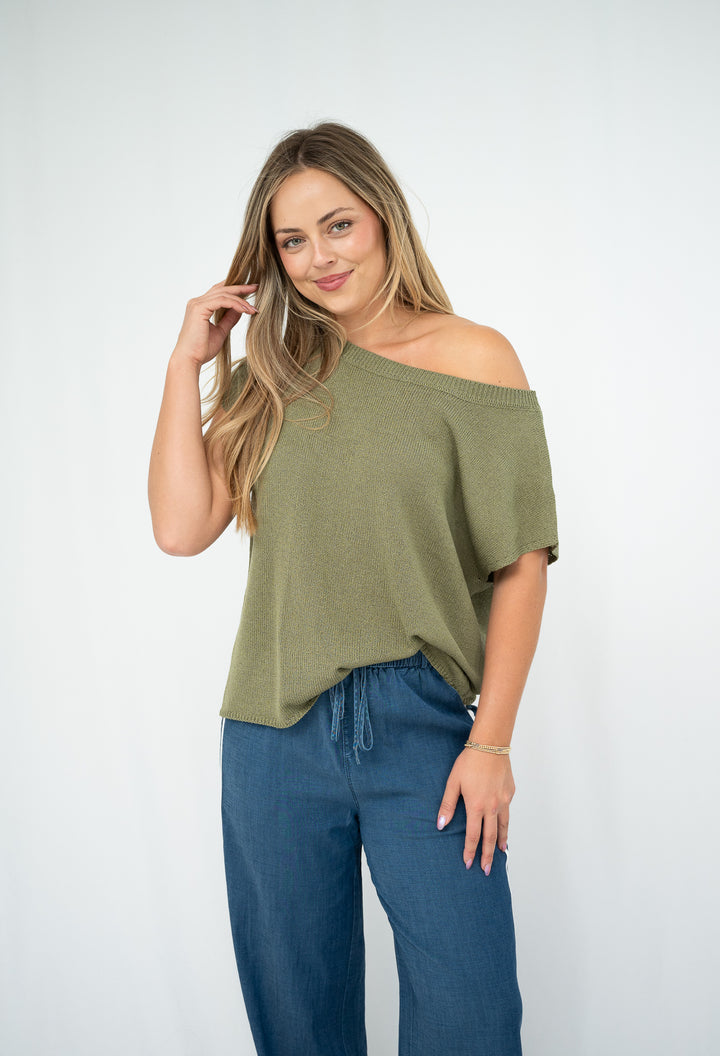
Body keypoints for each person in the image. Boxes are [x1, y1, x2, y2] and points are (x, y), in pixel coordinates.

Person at [148, 120, 559, 1056]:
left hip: (421, 726)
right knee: (298, 1023)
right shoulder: (272, 375)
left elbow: (521, 563)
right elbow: (180, 528)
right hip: (272, 734)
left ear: (383, 217)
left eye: (338, 226)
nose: (319, 258)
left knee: (471, 1016)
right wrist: (187, 362)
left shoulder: (473, 357)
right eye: (293, 241)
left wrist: (491, 740)